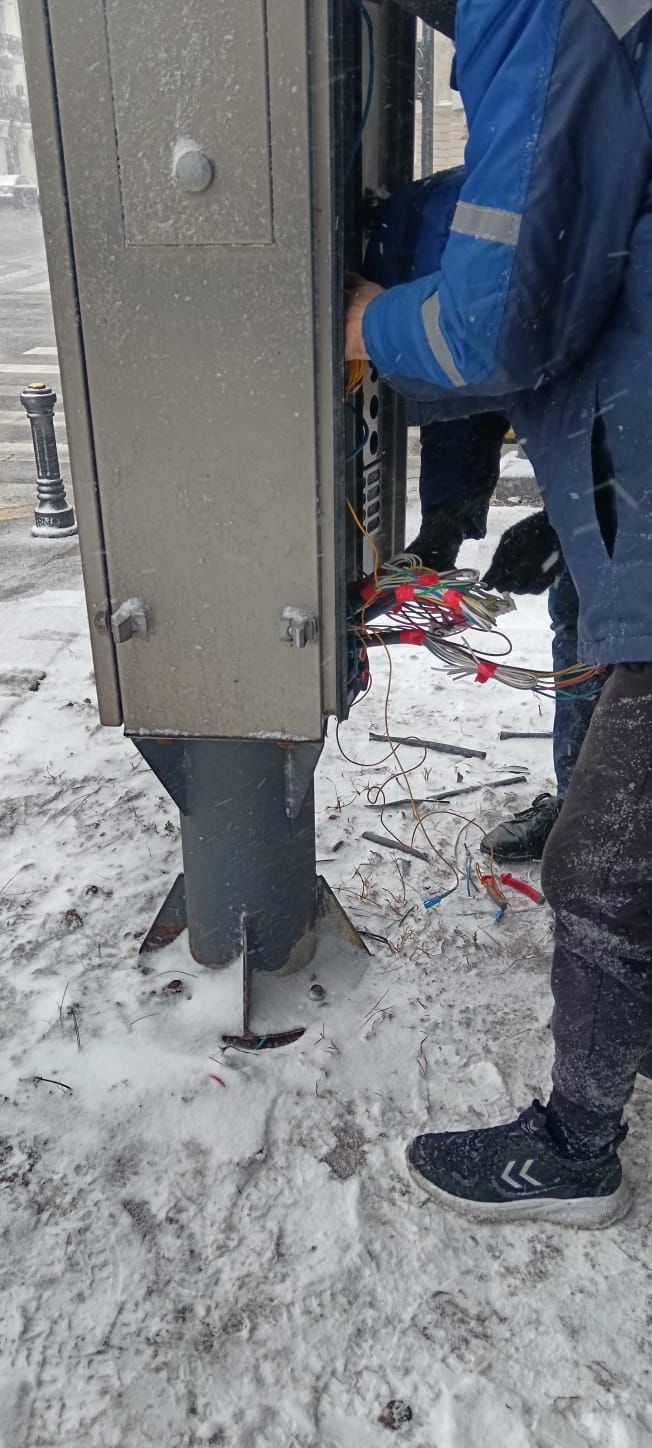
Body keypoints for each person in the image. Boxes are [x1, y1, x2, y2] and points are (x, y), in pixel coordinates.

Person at [346, 0, 652, 1227]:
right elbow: (514, 310)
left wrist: (361, 321)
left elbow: (492, 327)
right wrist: (453, 525)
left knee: (604, 864)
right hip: (623, 481)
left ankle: (577, 1148)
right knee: (607, 763)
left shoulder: (538, 9)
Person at [364, 169, 601, 862]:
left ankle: (614, 829)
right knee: (583, 616)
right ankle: (590, 809)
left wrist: (573, 518)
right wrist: (446, 518)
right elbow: (468, 385)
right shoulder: (449, 241)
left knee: (618, 623)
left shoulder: (588, 253)